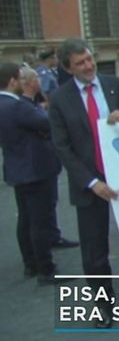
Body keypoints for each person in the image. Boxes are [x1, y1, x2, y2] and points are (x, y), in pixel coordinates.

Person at [48, 38, 119, 328]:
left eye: (89, 59)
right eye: (80, 63)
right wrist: (91, 182)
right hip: (90, 184)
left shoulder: (118, 86)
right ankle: (104, 305)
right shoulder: (60, 100)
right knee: (94, 251)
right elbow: (62, 147)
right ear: (68, 68)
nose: (88, 66)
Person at [0, 64, 77, 286]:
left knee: (26, 219)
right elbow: (46, 123)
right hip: (35, 169)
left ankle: (31, 263)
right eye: (19, 79)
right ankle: (46, 268)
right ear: (13, 81)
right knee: (38, 221)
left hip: (18, 168)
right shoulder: (17, 106)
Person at [18, 67, 78, 250]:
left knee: (48, 207)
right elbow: (48, 123)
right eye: (36, 77)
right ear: (29, 82)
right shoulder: (23, 106)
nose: (40, 80)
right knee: (37, 215)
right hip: (35, 167)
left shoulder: (34, 102)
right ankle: (42, 260)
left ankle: (53, 237)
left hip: (43, 165)